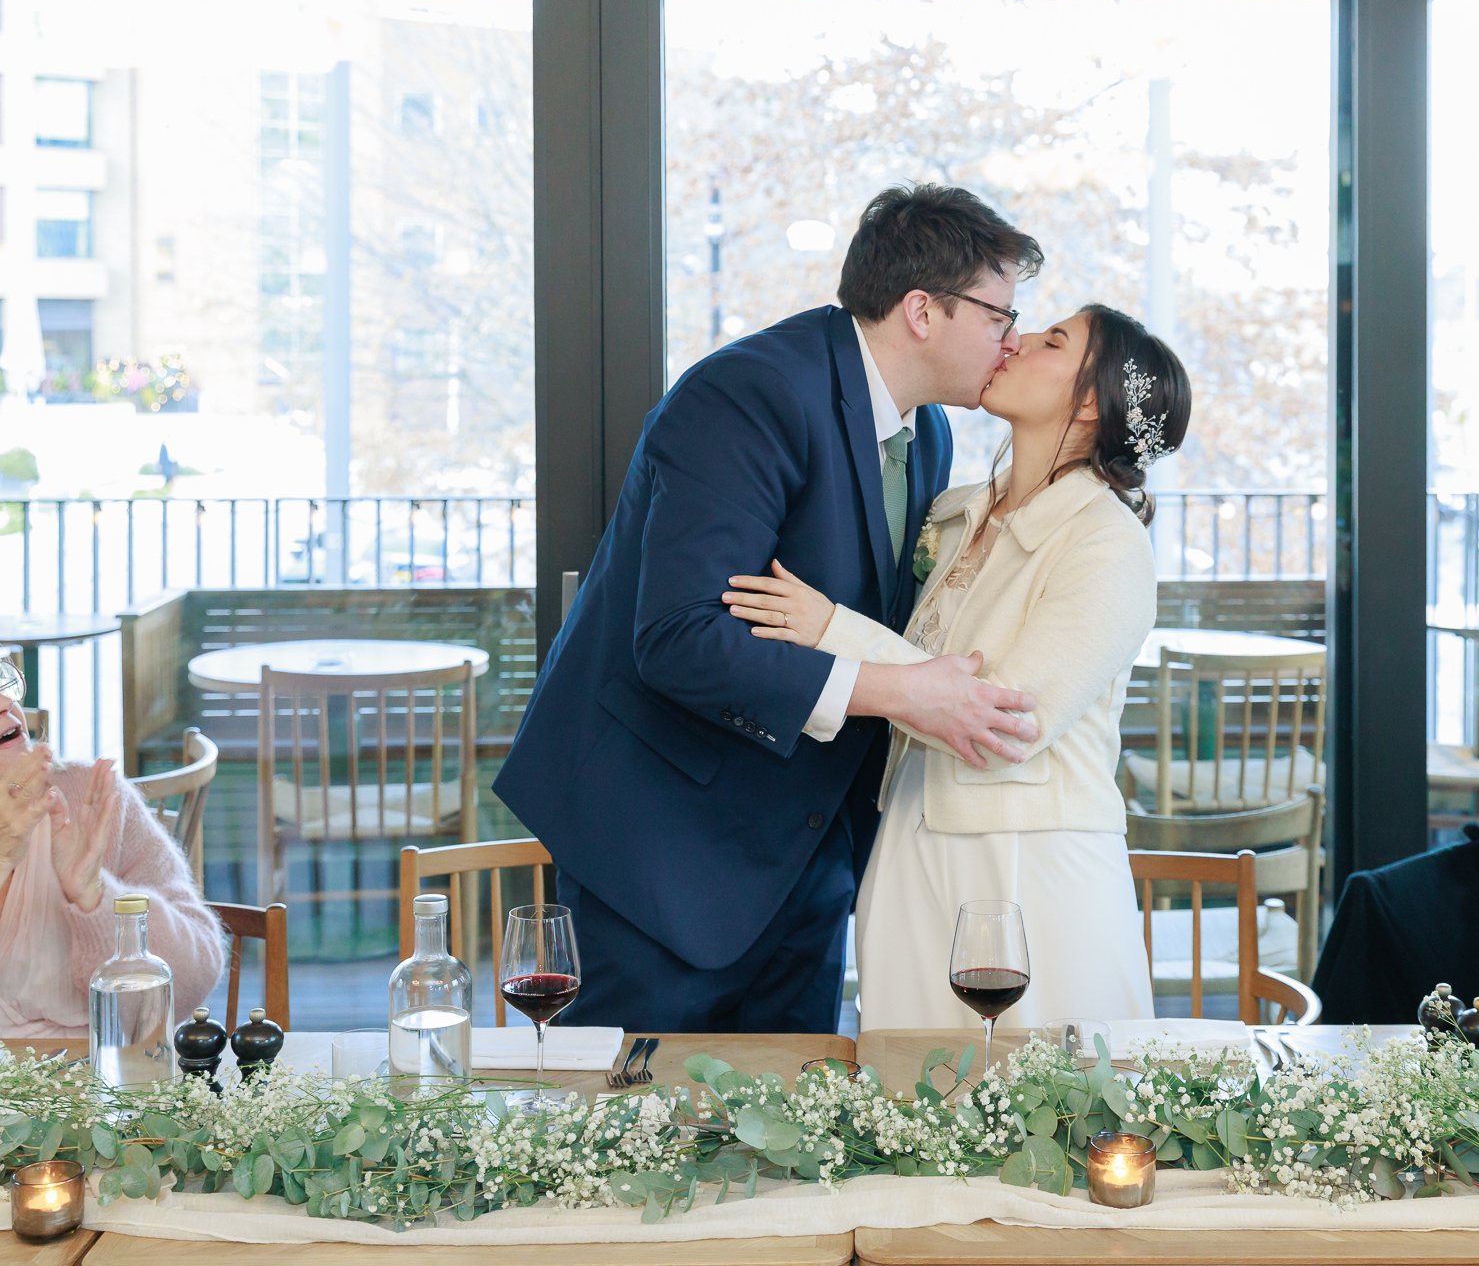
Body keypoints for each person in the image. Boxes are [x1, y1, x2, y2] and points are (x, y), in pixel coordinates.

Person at [494, 184, 1045, 1033]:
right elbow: (677, 639)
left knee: (791, 1144)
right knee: (632, 1135)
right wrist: (904, 691)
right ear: (922, 312)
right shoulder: (749, 394)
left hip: (803, 857)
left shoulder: (926, 434)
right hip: (665, 846)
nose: (1011, 341)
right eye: (1000, 315)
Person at [722, 304, 1191, 1030]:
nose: (1018, 340)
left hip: (1029, 861)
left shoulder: (1107, 544)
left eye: (1051, 341)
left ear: (1091, 400)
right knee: (912, 1102)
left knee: (1054, 1116)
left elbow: (1011, 720)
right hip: (908, 837)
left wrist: (830, 628)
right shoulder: (956, 512)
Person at [0, 626, 224, 1037]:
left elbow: (193, 981)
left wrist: (96, 895)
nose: (4, 703)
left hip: (106, 1091)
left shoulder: (90, 799)